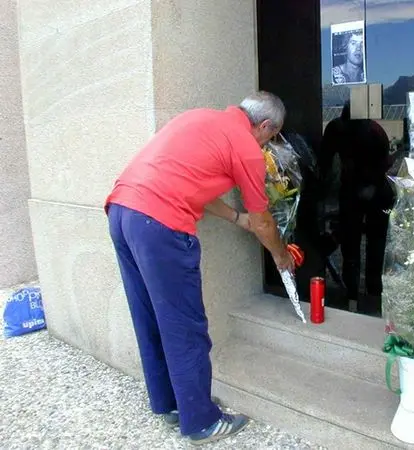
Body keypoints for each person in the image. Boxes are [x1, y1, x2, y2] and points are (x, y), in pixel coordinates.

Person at [104, 92, 294, 445]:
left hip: (122, 211)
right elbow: (264, 221)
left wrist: (237, 219)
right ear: (265, 125)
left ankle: (172, 403)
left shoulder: (199, 119)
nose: (270, 144)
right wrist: (280, 255)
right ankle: (201, 421)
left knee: (150, 316)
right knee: (185, 325)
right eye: (273, 136)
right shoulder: (247, 147)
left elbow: (195, 188)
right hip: (160, 225)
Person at [319, 104, 395, 316]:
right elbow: (385, 162)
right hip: (372, 191)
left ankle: (353, 295)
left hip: (358, 191)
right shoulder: (374, 130)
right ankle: (371, 294)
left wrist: (322, 191)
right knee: (373, 246)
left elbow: (325, 162)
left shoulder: (338, 127)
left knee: (353, 247)